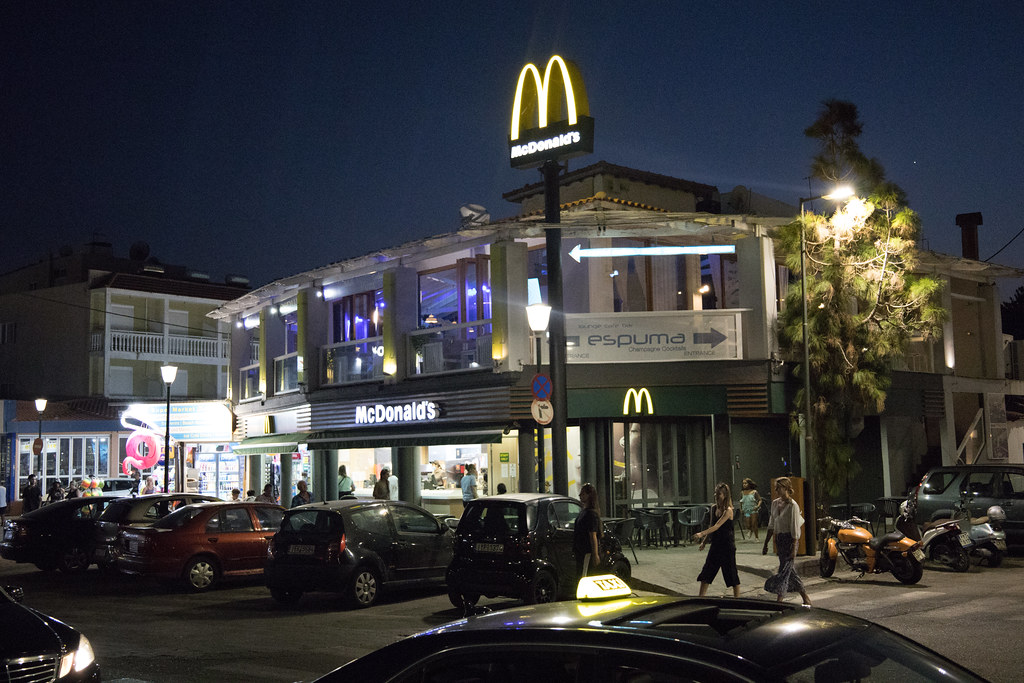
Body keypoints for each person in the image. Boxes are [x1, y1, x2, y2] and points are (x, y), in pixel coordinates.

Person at [762, 477, 812, 606]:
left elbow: (795, 527)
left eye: (778, 488)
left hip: (790, 540)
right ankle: (805, 597)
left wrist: (794, 547)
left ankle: (779, 600)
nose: (776, 490)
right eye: (776, 488)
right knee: (789, 570)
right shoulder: (774, 504)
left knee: (784, 570)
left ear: (785, 488)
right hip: (780, 540)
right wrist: (766, 543)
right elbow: (771, 525)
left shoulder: (793, 505)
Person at [693, 482, 741, 598]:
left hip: (727, 545)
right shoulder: (714, 508)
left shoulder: (728, 511)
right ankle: (701, 597)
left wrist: (701, 534)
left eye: (719, 494)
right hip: (716, 544)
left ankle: (737, 599)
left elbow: (717, 526)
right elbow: (711, 525)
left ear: (724, 495)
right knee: (707, 570)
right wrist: (704, 542)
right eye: (715, 493)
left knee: (731, 573)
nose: (716, 496)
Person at [573, 482, 602, 578]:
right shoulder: (584, 512)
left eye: (583, 493)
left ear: (589, 495)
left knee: (584, 576)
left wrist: (595, 554)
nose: (580, 495)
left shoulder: (591, 514)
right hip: (581, 551)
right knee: (581, 574)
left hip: (587, 552)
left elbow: (593, 535)